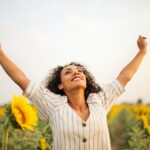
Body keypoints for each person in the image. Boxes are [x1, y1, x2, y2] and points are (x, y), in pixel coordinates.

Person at [0, 35, 148, 150]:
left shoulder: (100, 100)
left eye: (79, 71)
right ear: (60, 85)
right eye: (68, 72)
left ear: (85, 80)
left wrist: (142, 51)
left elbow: (125, 77)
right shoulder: (53, 105)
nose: (76, 73)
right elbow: (20, 79)